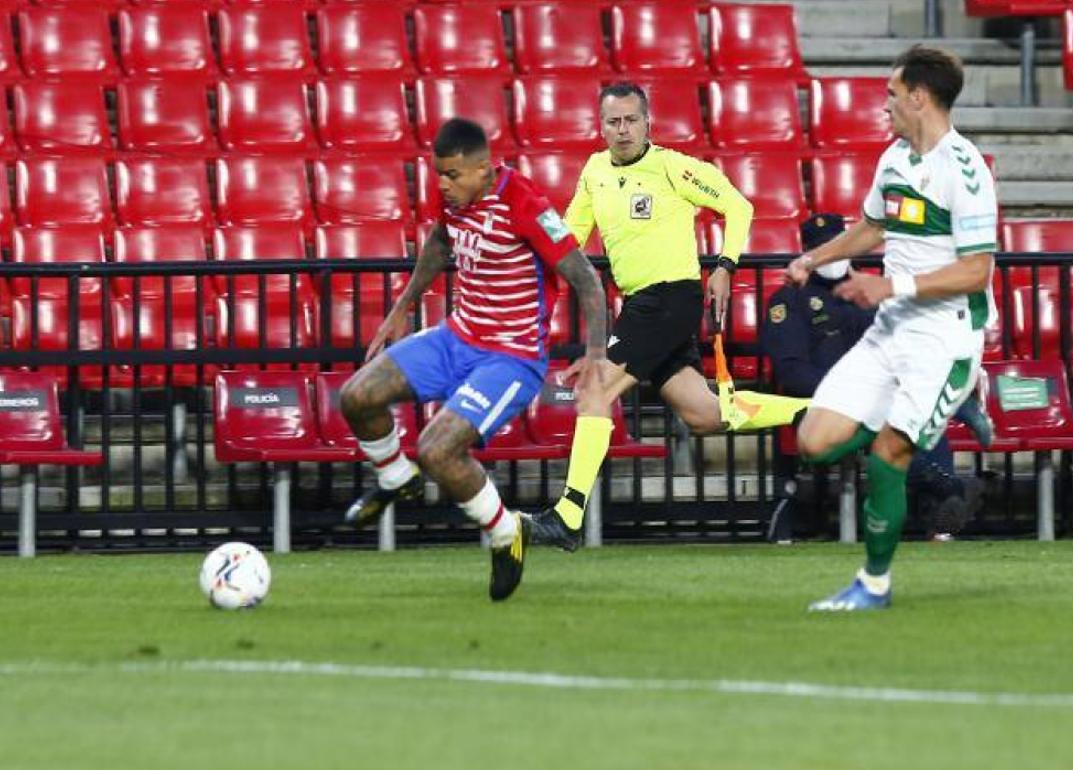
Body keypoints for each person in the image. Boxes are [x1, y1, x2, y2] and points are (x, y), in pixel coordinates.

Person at [527, 82, 809, 551]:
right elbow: (570, 237)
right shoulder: (594, 172)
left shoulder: (672, 167)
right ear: (600, 127)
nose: (623, 130)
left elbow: (739, 206)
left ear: (647, 122)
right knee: (702, 414)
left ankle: (568, 515)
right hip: (642, 303)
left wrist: (724, 267)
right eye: (613, 122)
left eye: (631, 120)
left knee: (594, 389)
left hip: (670, 299)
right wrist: (528, 244)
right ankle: (820, 411)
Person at [336, 118, 607, 601]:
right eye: (438, 174)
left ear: (484, 169)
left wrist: (595, 355)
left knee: (438, 450)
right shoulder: (456, 196)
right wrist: (402, 308)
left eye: (452, 176)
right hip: (456, 338)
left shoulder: (524, 203)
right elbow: (442, 243)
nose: (442, 184)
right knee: (357, 395)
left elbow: (585, 277)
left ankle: (506, 534)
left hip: (510, 356)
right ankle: (396, 479)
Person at [785, 46, 998, 612]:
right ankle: (950, 408)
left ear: (919, 98)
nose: (885, 105)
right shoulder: (894, 160)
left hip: (944, 336)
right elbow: (872, 227)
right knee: (815, 442)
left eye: (892, 94)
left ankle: (873, 584)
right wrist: (815, 258)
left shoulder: (967, 171)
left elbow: (978, 271)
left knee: (888, 456)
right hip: (892, 330)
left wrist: (892, 286)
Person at [763, 215, 992, 540]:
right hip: (831, 401)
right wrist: (846, 394)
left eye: (835, 244)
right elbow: (792, 370)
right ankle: (946, 488)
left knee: (916, 410)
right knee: (886, 421)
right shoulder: (789, 300)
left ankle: (941, 520)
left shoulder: (868, 291)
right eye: (820, 247)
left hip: (888, 390)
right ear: (809, 252)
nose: (832, 255)